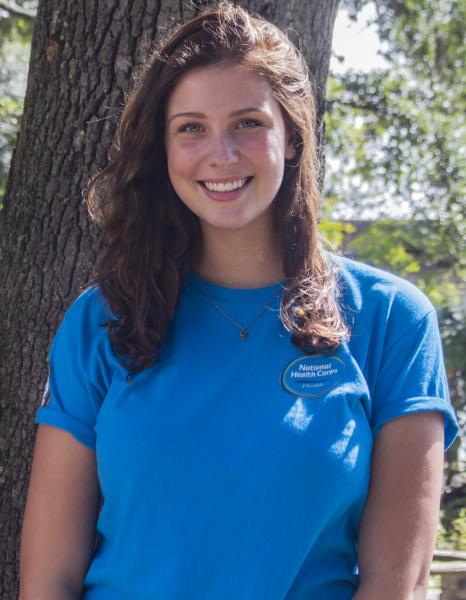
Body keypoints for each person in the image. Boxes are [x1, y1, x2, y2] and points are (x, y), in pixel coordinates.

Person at [20, 2, 459, 599]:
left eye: (248, 123)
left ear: (293, 137)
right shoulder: (101, 321)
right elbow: (49, 581)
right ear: (163, 148)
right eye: (191, 128)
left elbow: (394, 584)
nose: (221, 154)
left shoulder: (391, 320)